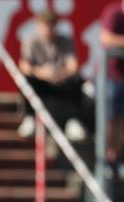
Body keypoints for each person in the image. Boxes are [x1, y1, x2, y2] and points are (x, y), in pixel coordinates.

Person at [17, 10, 86, 142]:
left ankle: (74, 120)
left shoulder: (65, 40)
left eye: (50, 26)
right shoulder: (31, 40)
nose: (47, 30)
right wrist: (41, 73)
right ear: (38, 26)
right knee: (25, 79)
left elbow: (73, 66)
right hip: (41, 82)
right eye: (44, 26)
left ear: (56, 26)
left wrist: (60, 74)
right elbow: (24, 65)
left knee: (77, 79)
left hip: (61, 81)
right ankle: (30, 118)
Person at [100, 0, 124, 170]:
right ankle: (104, 158)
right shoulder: (114, 13)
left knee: (122, 121)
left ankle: (115, 159)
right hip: (112, 77)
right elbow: (106, 38)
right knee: (109, 119)